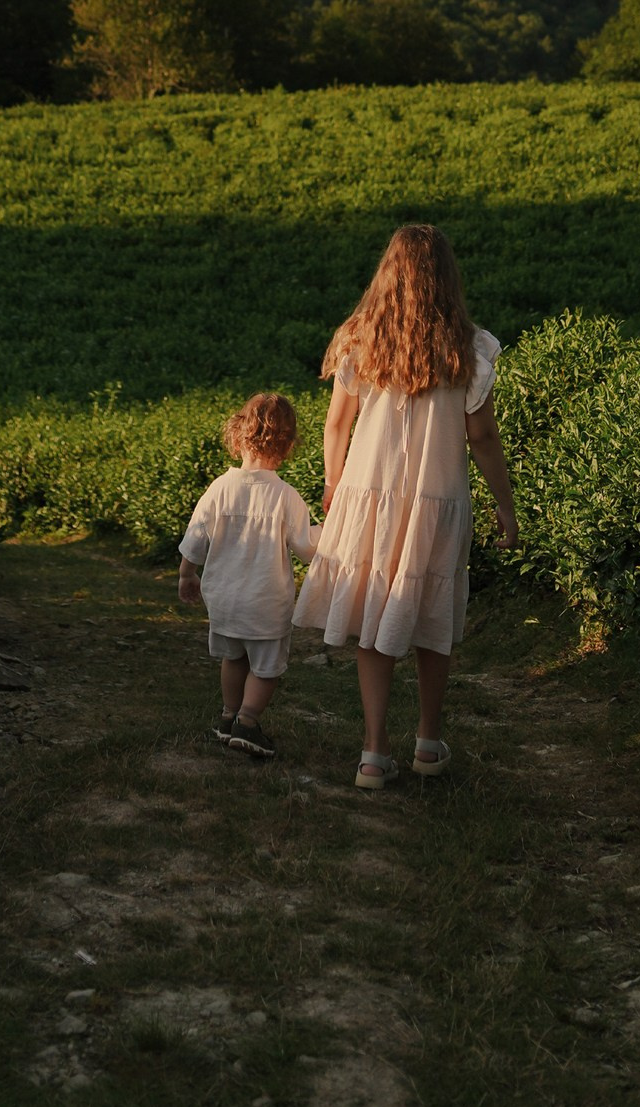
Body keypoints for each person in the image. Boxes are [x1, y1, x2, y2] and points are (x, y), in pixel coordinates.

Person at [290, 220, 517, 789]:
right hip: (439, 499)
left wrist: (333, 485)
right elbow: (483, 437)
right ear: (447, 277)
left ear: (387, 275)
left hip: (370, 495)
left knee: (373, 619)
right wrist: (506, 506)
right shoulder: (469, 346)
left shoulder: (361, 339)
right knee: (431, 619)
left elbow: (337, 424)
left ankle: (372, 752)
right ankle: (428, 741)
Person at [177, 391, 318, 758]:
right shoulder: (286, 497)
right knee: (267, 667)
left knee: (234, 658)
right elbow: (305, 548)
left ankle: (227, 717)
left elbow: (196, 536)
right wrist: (332, 533)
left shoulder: (219, 489)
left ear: (238, 435)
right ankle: (248, 722)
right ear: (287, 446)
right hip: (265, 601)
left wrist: (186, 575)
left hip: (224, 599)